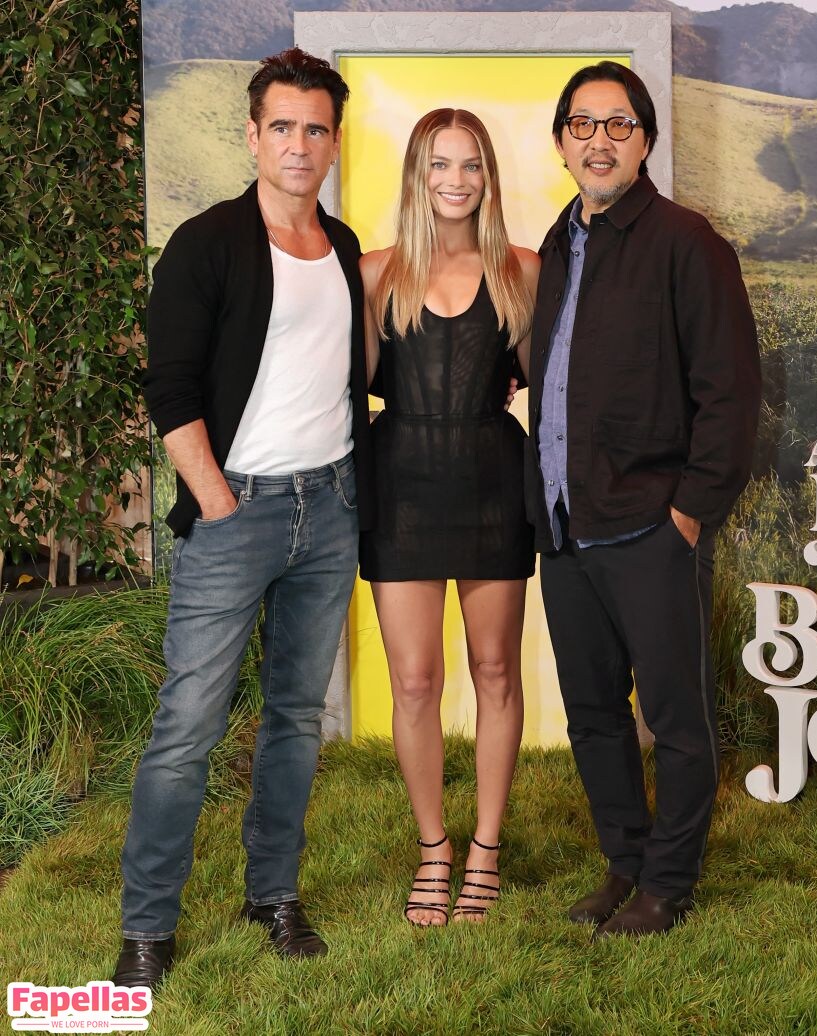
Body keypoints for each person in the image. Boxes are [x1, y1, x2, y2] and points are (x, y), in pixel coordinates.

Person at [115, 48, 373, 990]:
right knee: (189, 723)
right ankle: (147, 926)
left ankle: (274, 896)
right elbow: (169, 386)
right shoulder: (207, 241)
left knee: (297, 718)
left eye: (316, 129)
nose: (300, 145)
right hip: (237, 513)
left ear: (334, 142)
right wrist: (217, 501)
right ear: (254, 135)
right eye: (283, 127)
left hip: (329, 508)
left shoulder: (342, 245)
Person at [527, 62, 761, 939]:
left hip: (651, 525)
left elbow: (730, 392)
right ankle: (624, 863)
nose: (600, 141)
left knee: (674, 718)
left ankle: (668, 884)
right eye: (582, 125)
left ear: (646, 141)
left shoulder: (688, 244)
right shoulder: (557, 244)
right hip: (565, 523)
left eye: (618, 125)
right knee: (593, 716)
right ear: (561, 143)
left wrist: (690, 512)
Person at [358, 108, 539, 926]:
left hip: (493, 485)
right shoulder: (376, 273)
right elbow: (348, 387)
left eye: (471, 165)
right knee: (414, 680)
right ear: (417, 175)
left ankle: (486, 850)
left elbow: (549, 382)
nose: (456, 180)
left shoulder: (522, 271)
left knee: (496, 671)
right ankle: (434, 847)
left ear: (488, 177)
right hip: (399, 488)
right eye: (440, 164)